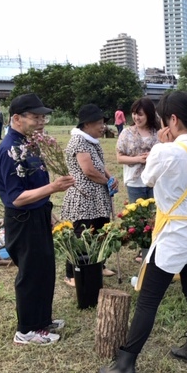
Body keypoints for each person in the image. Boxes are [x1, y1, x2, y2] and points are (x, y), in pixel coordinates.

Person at [99, 91, 187, 373]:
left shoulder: (167, 151)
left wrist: (162, 146)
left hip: (175, 233)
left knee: (149, 299)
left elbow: (146, 179)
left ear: (173, 120)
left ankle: (126, 364)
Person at [0, 93, 75, 345]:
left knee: (44, 270)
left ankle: (41, 320)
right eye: (35, 117)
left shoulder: (29, 144)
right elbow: (16, 198)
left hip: (38, 214)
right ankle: (26, 330)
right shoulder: (10, 150)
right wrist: (53, 188)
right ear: (17, 118)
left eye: (43, 117)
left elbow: (34, 184)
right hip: (23, 218)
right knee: (31, 274)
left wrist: (47, 211)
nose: (41, 122)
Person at [60, 104, 119, 286]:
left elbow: (99, 165)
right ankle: (72, 274)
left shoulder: (92, 141)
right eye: (99, 123)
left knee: (100, 231)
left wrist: (110, 177)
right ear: (86, 125)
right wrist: (106, 181)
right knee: (82, 234)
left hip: (98, 196)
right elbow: (88, 171)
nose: (102, 127)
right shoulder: (78, 141)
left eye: (103, 122)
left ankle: (99, 264)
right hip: (83, 196)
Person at [115, 97, 161, 203]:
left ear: (149, 115)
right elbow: (119, 158)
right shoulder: (126, 133)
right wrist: (139, 159)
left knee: (154, 217)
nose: (136, 117)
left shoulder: (159, 133)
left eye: (140, 114)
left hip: (155, 181)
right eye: (134, 114)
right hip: (135, 183)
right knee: (138, 217)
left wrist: (153, 155)